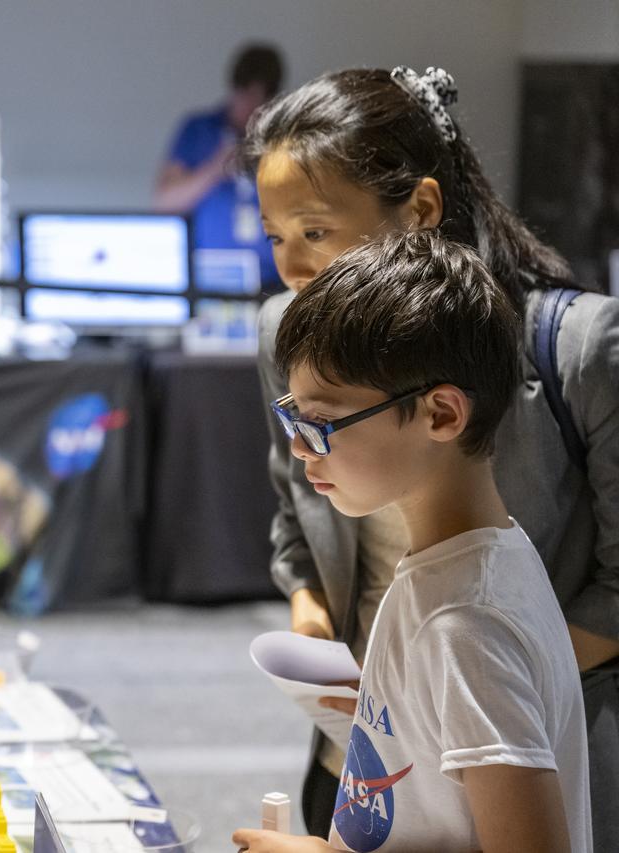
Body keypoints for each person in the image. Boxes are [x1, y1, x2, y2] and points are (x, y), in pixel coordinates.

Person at [241, 66, 619, 847]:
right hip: (387, 740)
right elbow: (296, 517)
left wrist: (425, 690)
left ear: (419, 212)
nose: (293, 267)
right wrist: (330, 635)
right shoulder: (457, 578)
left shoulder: (466, 626)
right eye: (275, 237)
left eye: (315, 230)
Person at [154, 43, 284, 291]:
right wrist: (215, 169)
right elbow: (164, 203)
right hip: (209, 280)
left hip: (274, 280)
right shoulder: (199, 130)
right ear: (234, 89)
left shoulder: (286, 138)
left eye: (262, 100)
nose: (252, 110)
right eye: (247, 97)